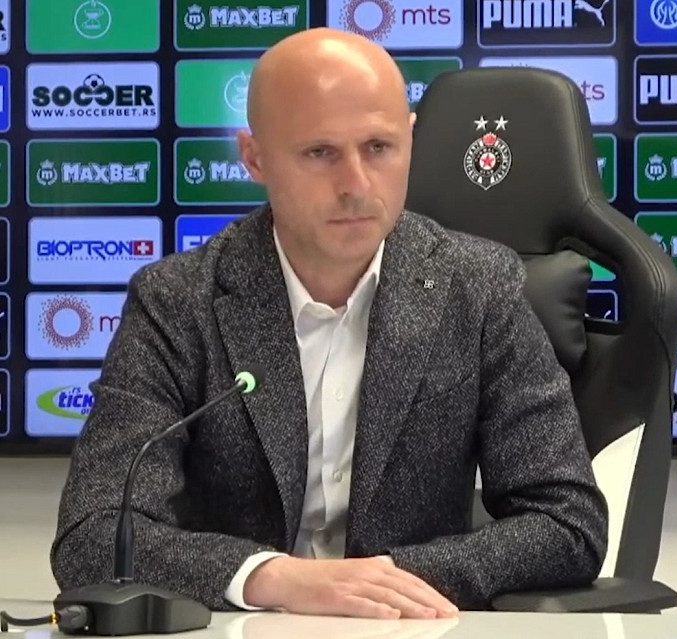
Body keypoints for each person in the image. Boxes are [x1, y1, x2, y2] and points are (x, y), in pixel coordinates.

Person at [50, 27, 608, 619]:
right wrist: (274, 578)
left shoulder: (478, 287)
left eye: (379, 147)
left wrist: (385, 581)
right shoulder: (177, 301)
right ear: (254, 158)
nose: (356, 186)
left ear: (411, 140)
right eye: (319, 153)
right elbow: (93, 535)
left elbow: (568, 522)